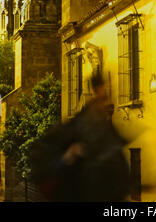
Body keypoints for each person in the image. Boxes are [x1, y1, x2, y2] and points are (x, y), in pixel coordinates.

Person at [29, 72, 131, 202]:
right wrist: (70, 155)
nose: (109, 100)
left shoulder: (103, 126)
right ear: (97, 90)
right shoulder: (85, 121)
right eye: (105, 90)